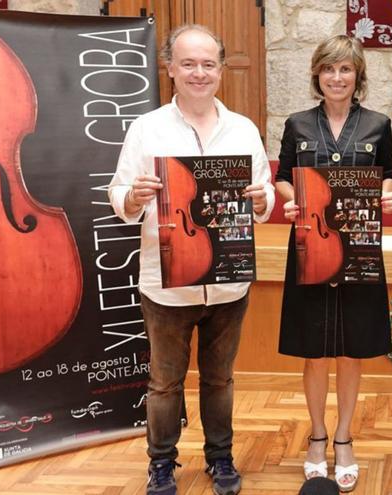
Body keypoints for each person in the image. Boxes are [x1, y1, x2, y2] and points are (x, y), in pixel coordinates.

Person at [108, 24, 274, 495]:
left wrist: (260, 201)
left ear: (221, 69)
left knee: (220, 379)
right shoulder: (146, 128)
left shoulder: (243, 129)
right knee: (164, 383)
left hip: (228, 284)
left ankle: (220, 458)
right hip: (166, 284)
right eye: (188, 63)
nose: (199, 72)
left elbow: (261, 204)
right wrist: (135, 196)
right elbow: (118, 195)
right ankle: (161, 463)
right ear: (170, 69)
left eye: (208, 63)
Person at [274, 35, 392, 493]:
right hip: (310, 245)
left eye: (345, 70)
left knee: (351, 347)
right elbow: (283, 179)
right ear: (317, 75)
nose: (337, 77)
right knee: (314, 349)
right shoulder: (297, 123)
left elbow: (387, 179)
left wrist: (386, 198)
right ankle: (317, 435)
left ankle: (344, 437)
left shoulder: (379, 124)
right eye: (329, 69)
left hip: (360, 247)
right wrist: (295, 203)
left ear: (357, 75)